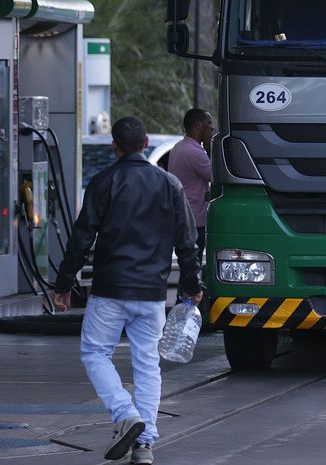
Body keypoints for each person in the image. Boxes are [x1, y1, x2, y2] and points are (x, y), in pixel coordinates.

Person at [54, 117, 202, 464]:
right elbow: (187, 242)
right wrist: (192, 286)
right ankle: (144, 445)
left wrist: (64, 284)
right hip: (151, 292)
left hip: (109, 289)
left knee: (95, 354)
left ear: (114, 147)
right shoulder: (169, 184)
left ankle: (125, 413)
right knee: (148, 365)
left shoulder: (103, 181)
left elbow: (82, 237)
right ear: (146, 142)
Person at [167, 108, 213, 266]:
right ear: (198, 125)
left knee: (187, 265)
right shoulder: (195, 152)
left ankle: (184, 291)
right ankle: (189, 291)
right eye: (208, 123)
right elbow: (214, 175)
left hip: (183, 215)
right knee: (193, 264)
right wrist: (209, 148)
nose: (211, 128)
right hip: (195, 219)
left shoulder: (178, 147)